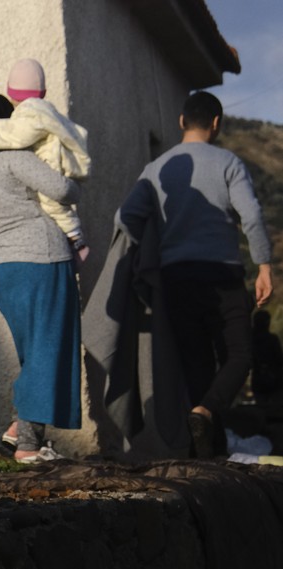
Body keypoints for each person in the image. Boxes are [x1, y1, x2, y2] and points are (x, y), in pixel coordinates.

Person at [117, 91, 274, 458]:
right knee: (239, 356)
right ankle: (205, 413)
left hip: (176, 278)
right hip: (222, 273)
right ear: (216, 123)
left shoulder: (155, 170)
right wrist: (265, 266)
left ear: (182, 121)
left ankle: (210, 450)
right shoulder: (228, 162)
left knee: (198, 363)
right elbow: (250, 215)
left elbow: (123, 219)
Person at [0, 88, 83, 464]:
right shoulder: (10, 152)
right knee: (48, 349)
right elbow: (59, 188)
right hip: (42, 258)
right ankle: (28, 445)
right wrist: (76, 183)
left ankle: (20, 427)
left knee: (33, 350)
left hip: (0, 269)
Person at [0, 58, 91, 261]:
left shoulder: (30, 114)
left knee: (52, 203)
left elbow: (15, 135)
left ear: (11, 95)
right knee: (57, 203)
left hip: (52, 163)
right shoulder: (47, 111)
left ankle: (76, 239)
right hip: (62, 164)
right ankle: (75, 239)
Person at [251, 310, 283, 405]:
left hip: (260, 380)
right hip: (273, 380)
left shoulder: (250, 339)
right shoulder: (271, 339)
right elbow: (279, 359)